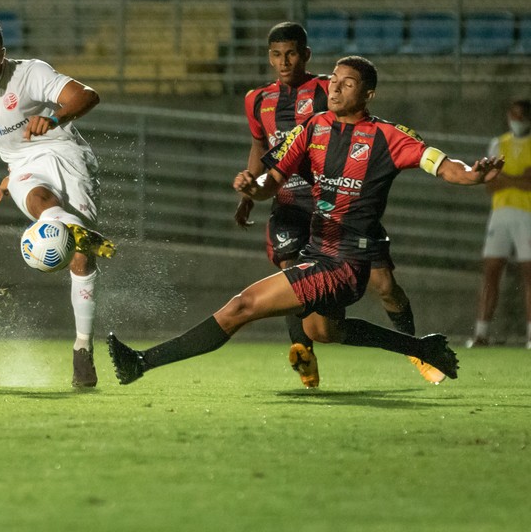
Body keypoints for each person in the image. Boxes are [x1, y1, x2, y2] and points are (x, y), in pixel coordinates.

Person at [108, 56, 503, 386]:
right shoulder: (314, 127)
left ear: (367, 94)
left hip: (345, 263)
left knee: (241, 306)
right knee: (322, 333)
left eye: (347, 84)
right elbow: (272, 182)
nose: (335, 87)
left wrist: (473, 174)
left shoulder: (387, 136)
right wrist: (253, 185)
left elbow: (444, 165)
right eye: (333, 80)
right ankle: (422, 347)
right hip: (318, 251)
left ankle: (141, 363)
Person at [236, 22, 444, 386]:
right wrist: (248, 195)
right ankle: (303, 353)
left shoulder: (326, 88)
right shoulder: (257, 99)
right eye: (276, 55)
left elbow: (359, 122)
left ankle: (415, 348)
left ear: (306, 55)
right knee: (291, 273)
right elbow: (260, 145)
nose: (284, 62)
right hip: (287, 199)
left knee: (384, 284)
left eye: (291, 54)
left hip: (338, 203)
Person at [0, 19, 115, 388]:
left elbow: (88, 95)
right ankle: (71, 227)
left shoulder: (30, 74)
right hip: (23, 167)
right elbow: (8, 142)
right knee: (43, 205)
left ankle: (82, 346)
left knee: (80, 258)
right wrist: (10, 171)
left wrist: (54, 117)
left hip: (65, 154)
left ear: (3, 54)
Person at [469, 98, 531, 349]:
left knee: (529, 275)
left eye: (521, 116)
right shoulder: (498, 143)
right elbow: (490, 183)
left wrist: (505, 178)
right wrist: (519, 179)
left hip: (527, 214)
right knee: (491, 272)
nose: (516, 120)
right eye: (513, 115)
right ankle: (481, 333)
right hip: (500, 214)